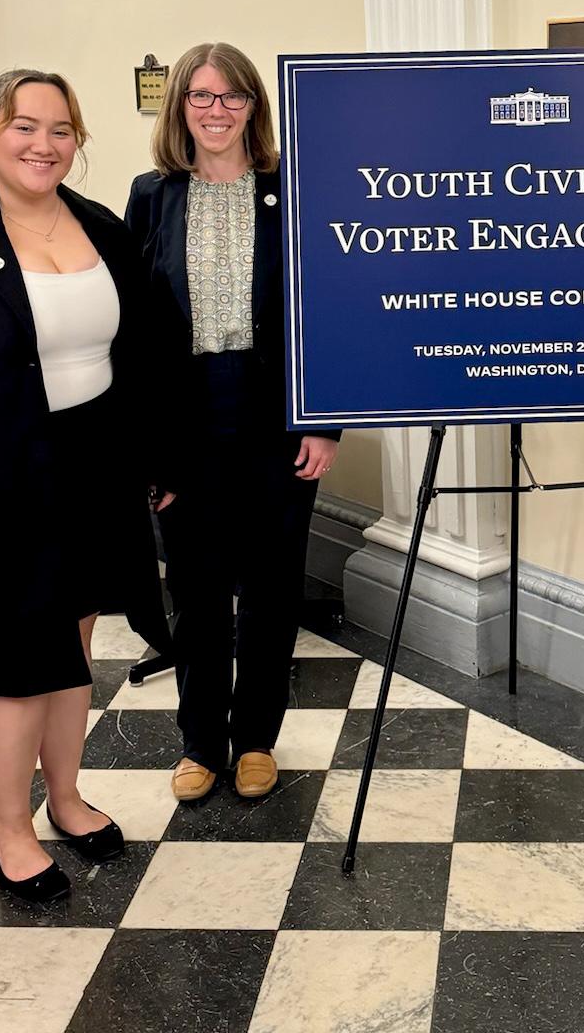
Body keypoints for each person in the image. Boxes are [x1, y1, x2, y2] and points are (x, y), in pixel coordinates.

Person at [0, 70, 173, 904]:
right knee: (16, 666)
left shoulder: (101, 228)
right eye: (24, 127)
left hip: (94, 466)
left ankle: (67, 797)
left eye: (60, 129)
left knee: (73, 645)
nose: (44, 144)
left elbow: (141, 352)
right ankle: (10, 831)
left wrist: (153, 457)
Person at [126, 42, 340, 803]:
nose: (216, 111)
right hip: (186, 421)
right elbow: (137, 332)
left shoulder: (293, 189)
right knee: (196, 589)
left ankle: (255, 738)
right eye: (201, 97)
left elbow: (327, 310)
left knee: (275, 586)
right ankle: (200, 743)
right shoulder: (152, 195)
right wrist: (149, 449)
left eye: (233, 97)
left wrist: (324, 423)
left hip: (276, 417)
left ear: (255, 105)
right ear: (179, 105)